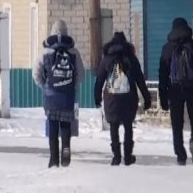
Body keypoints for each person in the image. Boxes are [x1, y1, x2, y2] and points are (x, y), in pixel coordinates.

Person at [157, 17, 193, 166]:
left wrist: (162, 96)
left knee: (177, 123)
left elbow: (162, 74)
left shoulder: (167, 48)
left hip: (174, 89)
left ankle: (180, 155)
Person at [93, 31, 152, 166]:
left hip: (111, 98)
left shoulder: (106, 59)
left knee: (113, 126)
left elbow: (99, 80)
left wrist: (97, 97)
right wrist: (147, 98)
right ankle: (128, 156)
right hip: (128, 98)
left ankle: (116, 156)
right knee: (128, 127)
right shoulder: (131, 58)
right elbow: (140, 80)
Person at [33, 20, 84, 168]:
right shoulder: (73, 52)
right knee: (66, 125)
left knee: (53, 126)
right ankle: (66, 149)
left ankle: (54, 159)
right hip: (67, 96)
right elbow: (81, 74)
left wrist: (45, 85)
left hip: (51, 96)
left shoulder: (45, 52)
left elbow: (36, 73)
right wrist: (70, 86)